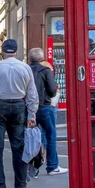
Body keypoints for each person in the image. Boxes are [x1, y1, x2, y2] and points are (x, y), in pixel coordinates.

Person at [0, 39, 39, 188]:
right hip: (18, 106)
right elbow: (32, 94)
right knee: (18, 147)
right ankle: (21, 185)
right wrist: (32, 115)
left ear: (3, 51)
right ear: (16, 51)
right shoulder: (25, 67)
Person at [29, 48, 68, 176]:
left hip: (29, 108)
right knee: (50, 136)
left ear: (30, 58)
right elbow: (52, 90)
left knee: (29, 138)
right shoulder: (45, 71)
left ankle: (31, 170)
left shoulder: (25, 69)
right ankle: (52, 166)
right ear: (42, 58)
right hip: (44, 107)